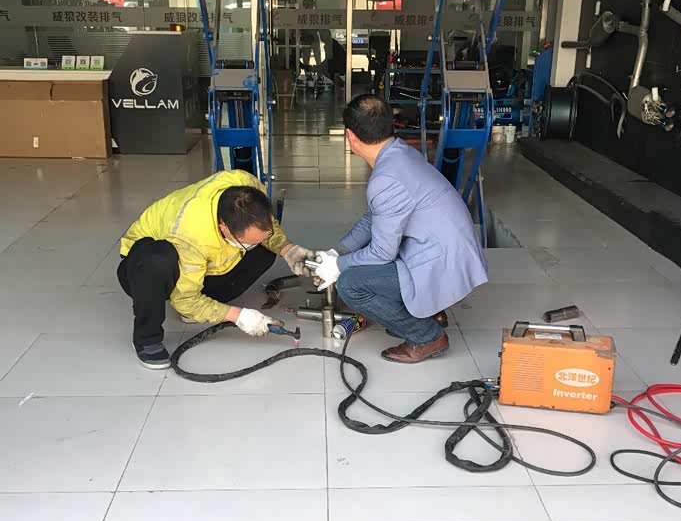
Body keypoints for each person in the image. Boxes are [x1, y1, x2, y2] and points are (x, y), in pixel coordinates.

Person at [313, 94, 487, 363]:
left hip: (443, 262)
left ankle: (427, 336)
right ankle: (430, 311)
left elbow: (381, 253)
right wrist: (337, 252)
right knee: (360, 265)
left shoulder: (386, 179)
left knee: (351, 284)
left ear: (350, 136)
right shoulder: (398, 153)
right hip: (448, 250)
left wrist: (338, 267)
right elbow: (375, 217)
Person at [118, 171, 314, 369]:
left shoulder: (247, 185)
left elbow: (265, 225)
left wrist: (287, 250)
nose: (252, 244)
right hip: (145, 263)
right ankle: (147, 339)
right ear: (224, 228)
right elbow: (185, 300)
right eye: (246, 242)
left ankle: (201, 306)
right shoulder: (189, 235)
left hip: (201, 258)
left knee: (265, 251)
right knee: (157, 261)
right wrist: (239, 316)